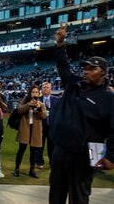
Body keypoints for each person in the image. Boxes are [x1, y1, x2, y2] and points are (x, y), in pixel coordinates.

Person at [49, 23, 114, 204]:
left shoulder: (108, 97)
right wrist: (60, 44)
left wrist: (111, 157)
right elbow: (63, 66)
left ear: (103, 73)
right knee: (56, 194)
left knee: (79, 196)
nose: (86, 71)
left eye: (92, 69)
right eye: (85, 68)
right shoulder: (74, 83)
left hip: (85, 155)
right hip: (60, 150)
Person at [13, 85, 46, 178]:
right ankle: (17, 168)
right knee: (21, 149)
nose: (35, 94)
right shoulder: (25, 101)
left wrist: (39, 109)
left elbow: (44, 116)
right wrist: (29, 105)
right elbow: (19, 110)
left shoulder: (41, 103)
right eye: (33, 92)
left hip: (36, 129)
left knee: (33, 151)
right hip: (25, 128)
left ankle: (32, 170)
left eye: (36, 92)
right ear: (30, 93)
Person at [35, 82, 59, 169]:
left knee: (52, 146)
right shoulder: (37, 100)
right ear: (41, 89)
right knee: (39, 145)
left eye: (47, 87)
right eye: (44, 87)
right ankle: (39, 162)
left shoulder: (57, 100)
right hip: (40, 126)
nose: (46, 89)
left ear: (50, 89)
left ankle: (52, 163)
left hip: (52, 127)